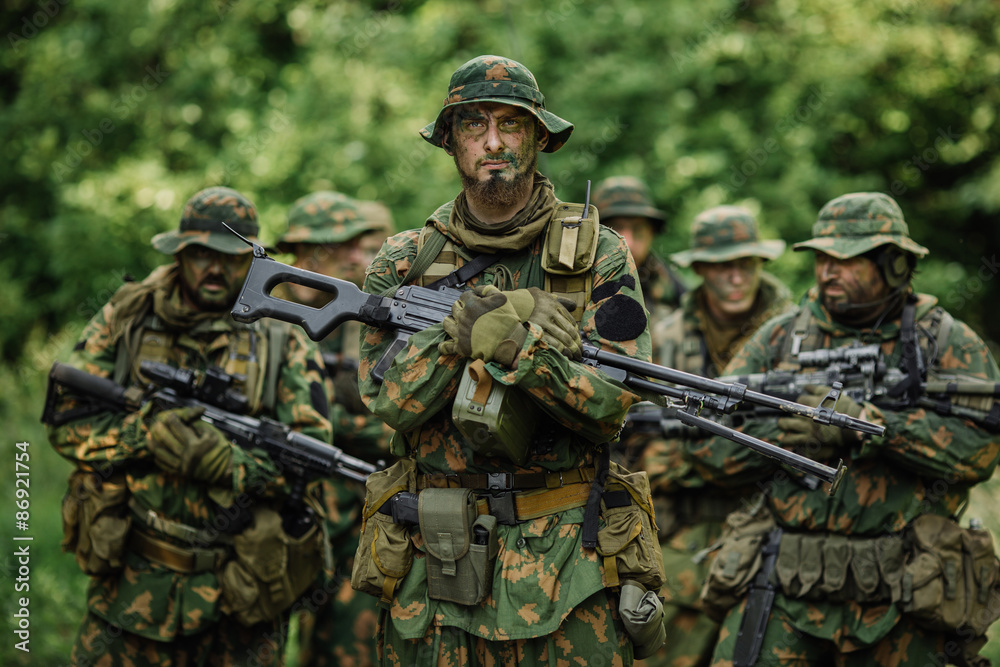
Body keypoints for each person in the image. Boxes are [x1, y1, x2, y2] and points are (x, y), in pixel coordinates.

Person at [354, 54, 664, 665]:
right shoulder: (404, 262)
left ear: (539, 137)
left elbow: (611, 407)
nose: (493, 141)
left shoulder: (598, 256)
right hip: (434, 563)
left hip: (569, 566)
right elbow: (391, 403)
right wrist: (459, 333)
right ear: (450, 141)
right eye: (473, 125)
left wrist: (516, 349)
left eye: (511, 125)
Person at [694, 192, 1000, 666]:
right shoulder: (779, 338)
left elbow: (980, 450)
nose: (827, 271)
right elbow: (709, 447)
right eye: (821, 258)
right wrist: (792, 435)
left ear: (895, 264)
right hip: (783, 585)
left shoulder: (942, 341)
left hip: (908, 589)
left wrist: (873, 428)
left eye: (846, 259)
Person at [45, 186, 333, 666]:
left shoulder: (284, 341)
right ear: (180, 252)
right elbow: (66, 425)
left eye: (230, 257)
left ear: (255, 261)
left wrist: (231, 466)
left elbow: (311, 460)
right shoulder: (129, 317)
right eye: (201, 254)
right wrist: (142, 438)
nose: (214, 269)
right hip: (132, 588)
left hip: (241, 599)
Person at [634, 205, 792, 667]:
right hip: (683, 541)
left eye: (745, 264)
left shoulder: (794, 337)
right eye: (722, 266)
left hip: (774, 537)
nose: (736, 278)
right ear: (700, 269)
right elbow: (633, 442)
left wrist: (689, 456)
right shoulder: (661, 341)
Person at [276, 190, 394, 666]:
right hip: (267, 510)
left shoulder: (361, 317)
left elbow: (390, 414)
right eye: (343, 246)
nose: (355, 258)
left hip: (349, 516)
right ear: (307, 252)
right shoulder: (259, 310)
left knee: (344, 645)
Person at [593, 176, 687, 318]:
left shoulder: (674, 290)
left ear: (652, 233)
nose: (628, 243)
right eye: (614, 230)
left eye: (638, 230)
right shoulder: (573, 283)